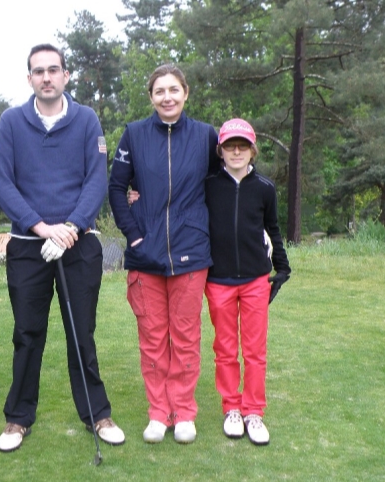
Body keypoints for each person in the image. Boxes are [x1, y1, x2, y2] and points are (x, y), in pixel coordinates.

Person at [0, 44, 125, 453]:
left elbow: (96, 181)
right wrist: (41, 226)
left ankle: (97, 414)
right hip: (29, 247)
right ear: (29, 78)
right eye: (38, 71)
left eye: (53, 70)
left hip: (78, 246)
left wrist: (69, 227)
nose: (46, 77)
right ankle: (18, 419)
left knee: (81, 333)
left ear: (66, 75)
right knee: (27, 334)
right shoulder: (12, 122)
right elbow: (1, 182)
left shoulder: (86, 120)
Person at [108, 64, 219, 444]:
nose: (167, 97)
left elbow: (227, 183)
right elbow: (116, 190)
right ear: (151, 97)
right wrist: (135, 236)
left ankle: (184, 411)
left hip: (191, 254)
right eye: (159, 91)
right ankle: (159, 413)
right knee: (153, 338)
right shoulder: (133, 135)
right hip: (146, 257)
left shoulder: (207, 136)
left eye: (174, 89)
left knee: (186, 338)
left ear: (186, 93)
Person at [204, 118, 291, 446]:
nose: (236, 151)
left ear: (252, 150)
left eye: (242, 145)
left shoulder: (265, 187)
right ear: (221, 150)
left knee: (255, 350)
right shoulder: (209, 184)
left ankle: (254, 411)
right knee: (225, 349)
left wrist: (281, 266)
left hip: (256, 279)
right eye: (229, 145)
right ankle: (232, 409)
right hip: (218, 280)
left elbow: (273, 228)